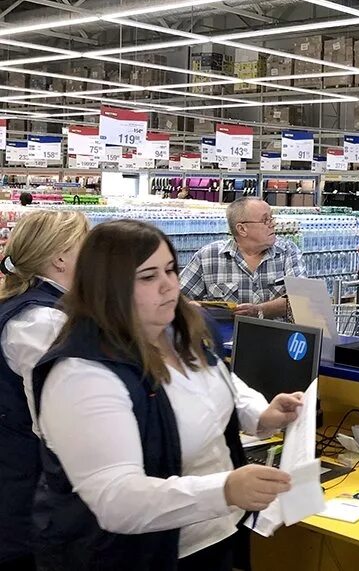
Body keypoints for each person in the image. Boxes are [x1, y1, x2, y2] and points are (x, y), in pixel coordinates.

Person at [32, 219, 305, 570]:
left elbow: (217, 384)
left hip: (219, 534)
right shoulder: (83, 375)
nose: (169, 286)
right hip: (131, 556)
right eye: (148, 277)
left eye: (170, 270)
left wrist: (261, 413)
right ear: (107, 288)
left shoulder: (182, 330)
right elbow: (117, 500)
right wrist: (224, 490)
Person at [0, 210, 88, 571]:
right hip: (25, 491)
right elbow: (56, 424)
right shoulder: (42, 321)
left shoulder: (37, 308)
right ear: (60, 257)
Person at [180, 197, 304, 319]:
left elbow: (302, 299)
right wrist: (195, 310)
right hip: (227, 337)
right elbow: (179, 296)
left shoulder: (287, 252)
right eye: (265, 220)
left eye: (271, 218)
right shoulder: (208, 257)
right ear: (242, 229)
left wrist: (260, 311)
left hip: (279, 337)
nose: (273, 224)